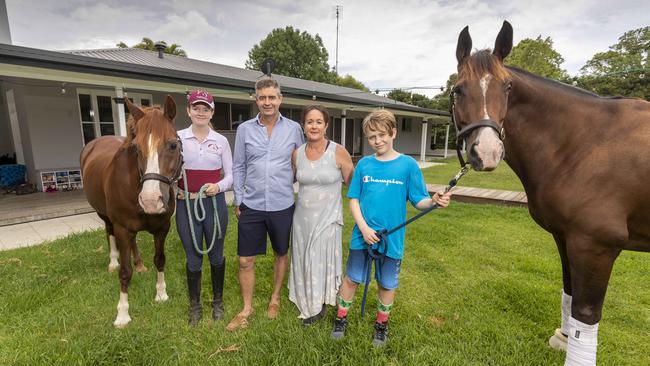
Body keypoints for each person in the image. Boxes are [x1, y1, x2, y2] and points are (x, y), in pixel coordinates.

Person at [330, 109, 452, 346]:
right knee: (352, 279)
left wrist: (434, 201)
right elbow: (353, 198)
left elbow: (420, 201)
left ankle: (381, 325)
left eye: (382, 135)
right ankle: (341, 319)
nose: (377, 141)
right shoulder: (364, 165)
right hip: (362, 236)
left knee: (387, 283)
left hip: (392, 240)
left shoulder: (408, 165)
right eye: (372, 137)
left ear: (393, 132)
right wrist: (364, 228)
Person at [227, 78, 304, 331]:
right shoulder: (245, 130)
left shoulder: (294, 129)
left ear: (280, 99)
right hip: (252, 204)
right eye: (263, 98)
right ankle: (247, 307)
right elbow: (238, 166)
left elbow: (300, 163)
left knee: (281, 253)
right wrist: (239, 198)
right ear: (256, 100)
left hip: (282, 204)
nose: (267, 102)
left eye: (272, 97)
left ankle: (275, 298)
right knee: (244, 260)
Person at [288, 105, 354, 326]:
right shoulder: (297, 154)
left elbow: (353, 184)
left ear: (326, 125)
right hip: (302, 220)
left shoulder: (338, 151)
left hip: (328, 218)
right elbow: (290, 181)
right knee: (305, 257)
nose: (313, 126)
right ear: (303, 126)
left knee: (319, 258)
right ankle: (305, 295)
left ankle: (319, 304)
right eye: (309, 122)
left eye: (318, 122)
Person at [176, 90, 232, 326]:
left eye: (205, 108)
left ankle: (217, 302)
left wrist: (218, 187)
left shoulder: (220, 141)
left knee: (216, 254)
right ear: (188, 110)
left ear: (212, 112)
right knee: (193, 256)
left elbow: (231, 175)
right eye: (196, 108)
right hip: (186, 205)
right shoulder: (176, 138)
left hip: (214, 203)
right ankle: (195, 306)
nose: (201, 112)